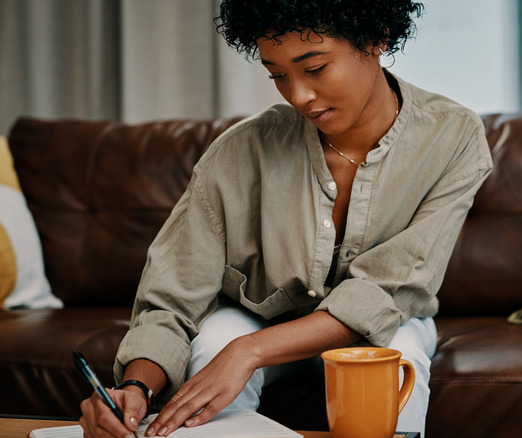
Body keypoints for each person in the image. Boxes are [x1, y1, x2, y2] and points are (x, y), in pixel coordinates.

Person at [77, 1, 493, 437]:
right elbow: (172, 296)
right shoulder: (240, 150)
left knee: (398, 357)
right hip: (258, 316)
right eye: (277, 75)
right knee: (214, 341)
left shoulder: (453, 137)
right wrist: (136, 386)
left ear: (377, 38)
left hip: (386, 325)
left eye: (314, 68)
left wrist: (249, 351)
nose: (298, 96)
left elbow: (390, 290)